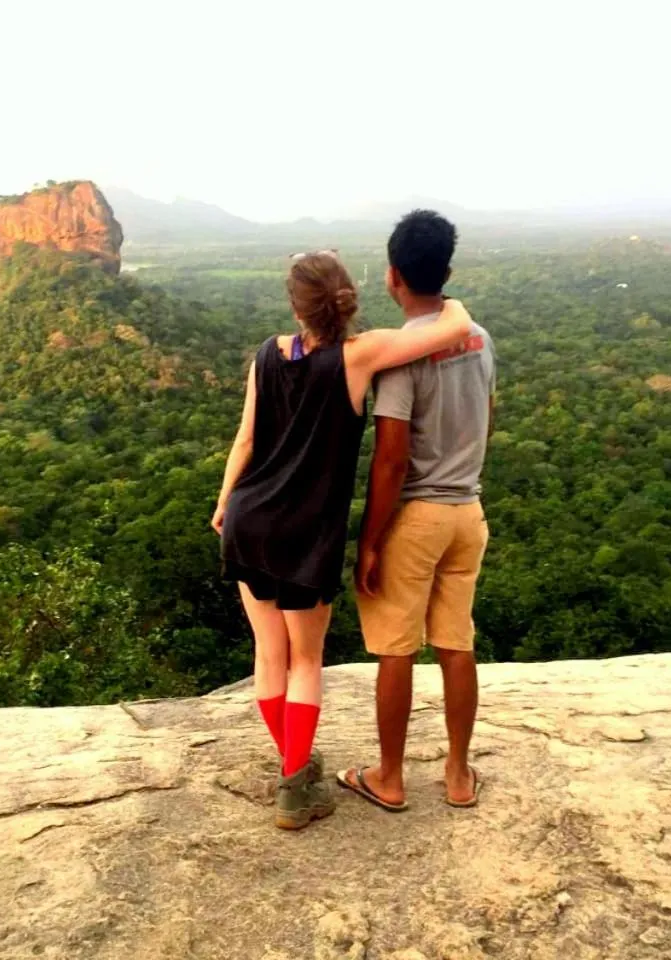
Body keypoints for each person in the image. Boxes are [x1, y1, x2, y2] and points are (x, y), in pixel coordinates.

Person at [212, 249, 471, 830]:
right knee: (306, 660)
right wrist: (448, 295)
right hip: (306, 534)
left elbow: (246, 439)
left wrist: (225, 502)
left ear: (294, 304)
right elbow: (453, 327)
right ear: (347, 297)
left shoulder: (265, 355)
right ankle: (294, 788)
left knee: (268, 652)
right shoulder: (358, 356)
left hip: (249, 522)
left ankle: (295, 768)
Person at [338, 210, 497, 812]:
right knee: (456, 643)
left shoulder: (402, 356)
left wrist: (371, 540)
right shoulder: (479, 336)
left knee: (396, 649)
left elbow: (390, 460)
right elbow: (487, 415)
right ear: (447, 270)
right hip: (468, 512)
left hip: (420, 514)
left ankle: (391, 777)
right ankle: (458, 775)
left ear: (392, 276)